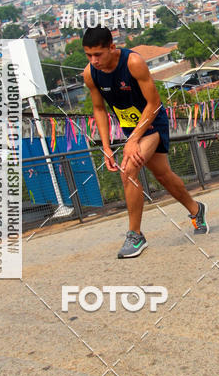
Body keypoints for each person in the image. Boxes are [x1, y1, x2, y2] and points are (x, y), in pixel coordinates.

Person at [82, 25, 208, 257]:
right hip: (131, 127)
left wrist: (133, 139)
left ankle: (135, 235)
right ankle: (196, 209)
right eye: (88, 55)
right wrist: (107, 147)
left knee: (128, 169)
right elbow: (99, 109)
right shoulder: (91, 73)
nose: (94, 60)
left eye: (98, 54)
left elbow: (154, 103)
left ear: (112, 47)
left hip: (152, 123)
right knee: (163, 175)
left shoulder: (133, 62)